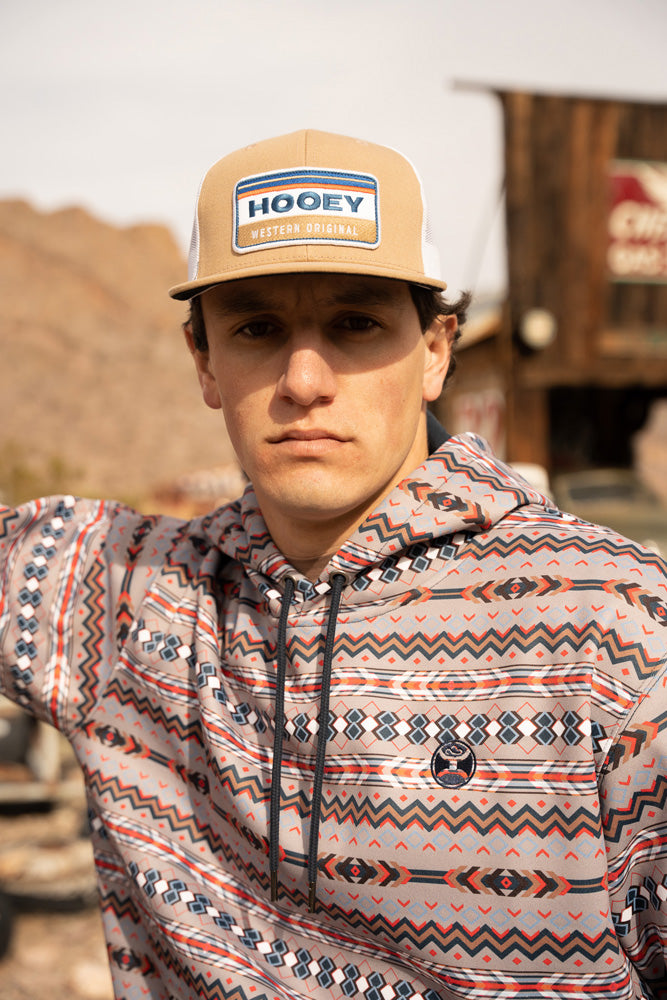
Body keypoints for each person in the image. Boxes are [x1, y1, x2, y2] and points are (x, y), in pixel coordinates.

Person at [1, 129, 666, 999]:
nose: (304, 379)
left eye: (354, 323)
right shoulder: (127, 600)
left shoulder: (613, 628)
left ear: (434, 349)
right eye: (257, 328)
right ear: (203, 359)